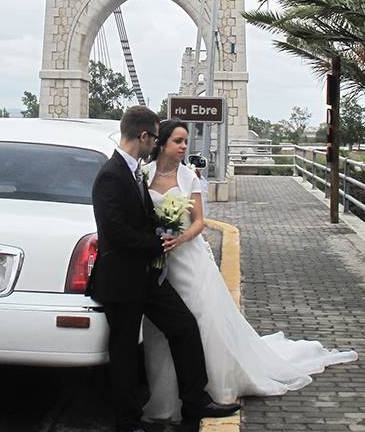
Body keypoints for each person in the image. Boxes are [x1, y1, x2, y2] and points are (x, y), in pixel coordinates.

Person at [141, 119, 358, 422]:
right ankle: (163, 397)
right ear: (162, 143)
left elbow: (200, 221)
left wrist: (180, 238)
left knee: (203, 323)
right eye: (178, 141)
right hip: (159, 264)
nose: (183, 147)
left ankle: (208, 388)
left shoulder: (188, 176)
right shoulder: (144, 174)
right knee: (160, 332)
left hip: (187, 259)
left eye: (185, 141)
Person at [86, 106, 240, 432]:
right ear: (144, 136)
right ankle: (127, 422)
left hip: (146, 275)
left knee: (183, 327)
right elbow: (115, 232)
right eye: (154, 137)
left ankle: (195, 400)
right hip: (122, 281)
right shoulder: (111, 174)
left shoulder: (133, 170)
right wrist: (158, 244)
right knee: (125, 351)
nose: (154, 143)